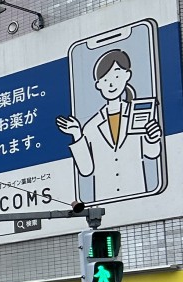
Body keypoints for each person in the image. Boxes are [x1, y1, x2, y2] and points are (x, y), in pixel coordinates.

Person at [55, 48, 162, 201]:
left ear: (127, 76)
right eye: (105, 80)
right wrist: (77, 134)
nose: (111, 84)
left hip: (138, 193)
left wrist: (152, 138)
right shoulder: (91, 126)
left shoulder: (137, 115)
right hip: (104, 198)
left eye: (116, 76)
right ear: (98, 85)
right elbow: (86, 170)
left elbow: (152, 153)